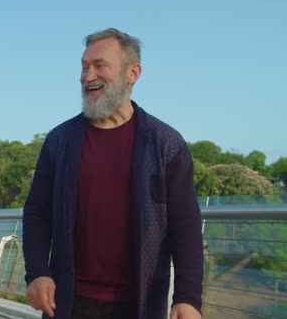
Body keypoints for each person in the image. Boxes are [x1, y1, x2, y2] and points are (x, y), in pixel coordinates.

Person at [22, 28, 203, 319]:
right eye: (83, 67)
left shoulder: (166, 144)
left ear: (132, 73)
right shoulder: (60, 141)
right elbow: (37, 212)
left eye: (99, 66)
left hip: (139, 305)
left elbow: (186, 226)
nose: (87, 76)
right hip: (67, 302)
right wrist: (37, 272)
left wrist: (188, 298)